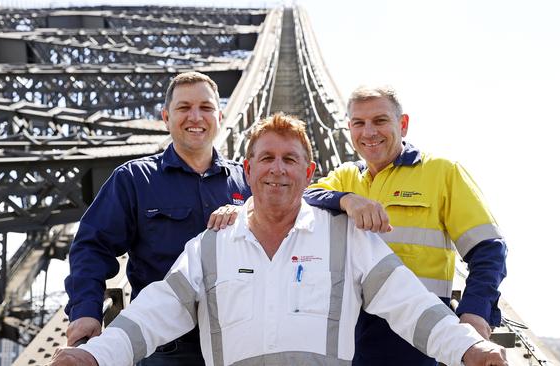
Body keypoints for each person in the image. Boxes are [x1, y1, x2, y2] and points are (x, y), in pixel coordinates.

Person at [49, 113, 508, 366]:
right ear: (245, 171)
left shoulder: (345, 237)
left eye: (291, 160)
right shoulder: (211, 245)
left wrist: (468, 346)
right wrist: (94, 357)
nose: (277, 168)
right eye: (265, 158)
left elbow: (413, 306)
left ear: (310, 174)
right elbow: (151, 315)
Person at [304, 85, 508, 366]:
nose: (369, 132)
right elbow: (302, 198)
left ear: (403, 124)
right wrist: (346, 200)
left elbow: (488, 249)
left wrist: (476, 312)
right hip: (349, 332)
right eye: (358, 123)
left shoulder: (442, 172)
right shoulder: (344, 177)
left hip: (419, 334)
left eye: (380, 121)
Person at [63, 71, 251, 365]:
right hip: (164, 349)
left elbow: (297, 218)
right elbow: (92, 246)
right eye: (184, 108)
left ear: (220, 115)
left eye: (205, 108)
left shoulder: (247, 182)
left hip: (238, 344)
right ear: (166, 117)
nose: (196, 117)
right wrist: (85, 311)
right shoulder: (133, 180)